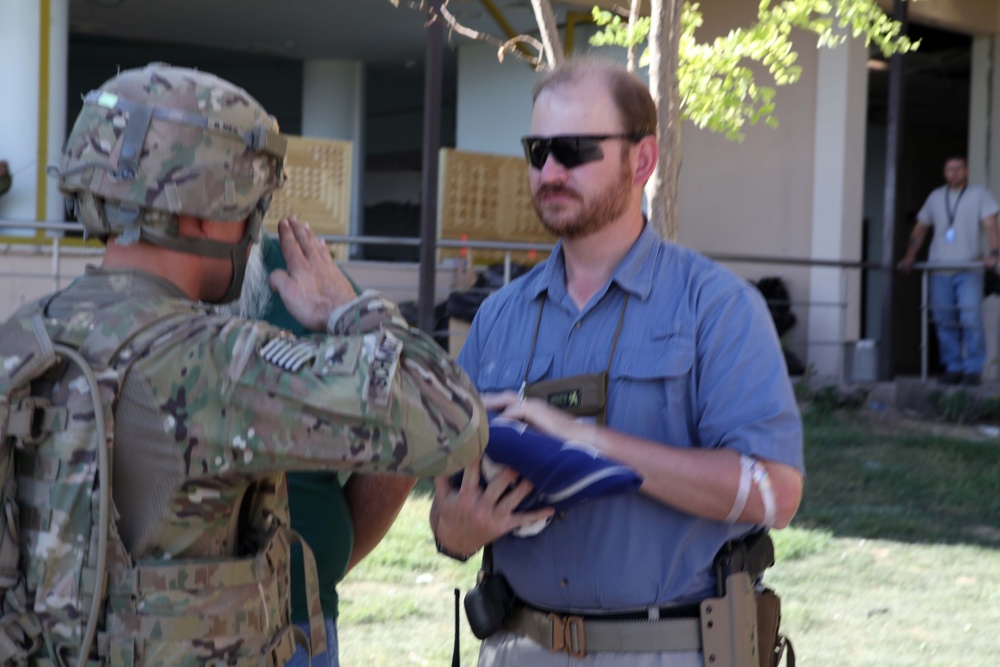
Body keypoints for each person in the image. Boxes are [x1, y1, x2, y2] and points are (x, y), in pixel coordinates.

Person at [0, 63, 486, 666]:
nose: (254, 227)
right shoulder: (215, 362)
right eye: (252, 203)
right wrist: (349, 310)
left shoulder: (22, 339)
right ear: (207, 212)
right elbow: (452, 420)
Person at [430, 58, 804, 666]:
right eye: (538, 150)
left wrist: (585, 439)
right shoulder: (498, 318)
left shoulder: (717, 308)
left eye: (575, 150)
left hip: (669, 650)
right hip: (519, 647)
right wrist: (457, 532)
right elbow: (447, 511)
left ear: (643, 160)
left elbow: (775, 495)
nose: (550, 170)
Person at [256, 236, 417, 667]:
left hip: (296, 627)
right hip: (155, 626)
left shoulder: (301, 273)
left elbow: (409, 433)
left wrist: (320, 563)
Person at [898, 156, 1000, 386]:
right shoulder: (935, 196)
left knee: (970, 319)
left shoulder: (979, 194)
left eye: (958, 169)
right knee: (944, 321)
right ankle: (953, 367)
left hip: (969, 270)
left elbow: (991, 224)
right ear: (944, 172)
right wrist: (910, 255)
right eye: (949, 169)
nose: (953, 173)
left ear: (966, 171)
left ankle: (973, 370)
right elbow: (921, 226)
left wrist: (994, 253)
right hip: (939, 269)